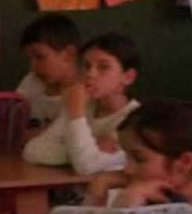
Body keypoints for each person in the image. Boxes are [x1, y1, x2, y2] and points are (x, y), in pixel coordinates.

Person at [22, 32, 140, 174]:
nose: (90, 74)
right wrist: (85, 148)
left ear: (127, 77)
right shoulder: (82, 104)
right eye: (87, 66)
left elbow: (85, 165)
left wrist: (77, 112)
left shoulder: (136, 121)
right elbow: (32, 151)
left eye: (103, 67)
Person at [17, 13, 80, 128]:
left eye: (39, 57)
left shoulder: (89, 92)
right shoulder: (30, 83)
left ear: (68, 54)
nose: (32, 66)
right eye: (29, 59)